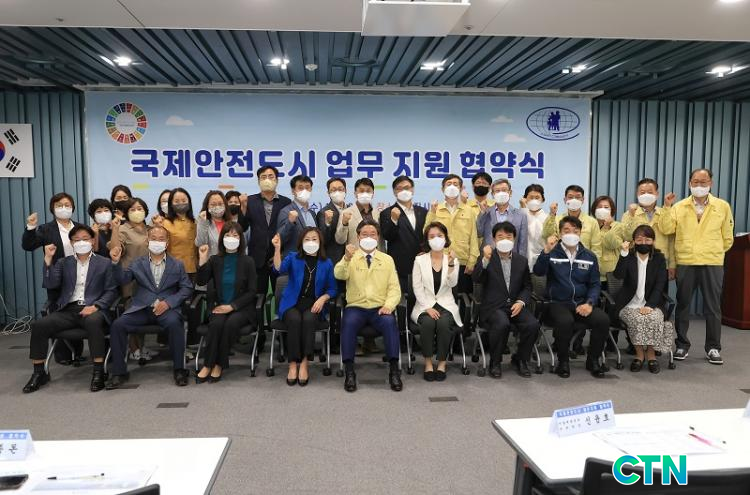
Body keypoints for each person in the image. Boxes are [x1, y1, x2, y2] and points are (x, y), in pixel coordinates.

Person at [22, 225, 118, 393]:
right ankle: (39, 373)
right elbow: (50, 284)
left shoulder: (104, 263)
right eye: (77, 239)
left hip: (93, 308)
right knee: (39, 325)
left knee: (94, 322)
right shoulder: (63, 262)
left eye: (85, 239)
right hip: (68, 309)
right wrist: (48, 259)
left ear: (92, 240)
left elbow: (111, 291)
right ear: (72, 243)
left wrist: (96, 306)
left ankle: (99, 371)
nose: (81, 242)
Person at [659, 168, 734, 365]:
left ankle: (713, 348)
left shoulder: (722, 206)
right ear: (689, 183)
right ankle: (682, 345)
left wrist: (713, 251)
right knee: (683, 305)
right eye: (695, 181)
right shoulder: (679, 206)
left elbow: (728, 238)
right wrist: (667, 207)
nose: (699, 185)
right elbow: (666, 229)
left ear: (711, 183)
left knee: (713, 307)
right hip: (686, 261)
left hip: (712, 263)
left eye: (703, 181)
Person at [107, 226, 194, 388]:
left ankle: (179, 369)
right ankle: (119, 372)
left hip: (167, 309)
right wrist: (116, 262)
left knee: (175, 324)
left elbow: (187, 288)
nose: (157, 241)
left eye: (161, 239)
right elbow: (122, 280)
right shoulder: (137, 263)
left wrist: (168, 303)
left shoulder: (177, 264)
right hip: (142, 309)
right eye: (153, 238)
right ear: (147, 241)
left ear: (167, 243)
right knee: (118, 325)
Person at [534, 216, 609, 379]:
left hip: (582, 303)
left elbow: (595, 284)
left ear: (580, 233)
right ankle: (563, 361)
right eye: (566, 230)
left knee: (602, 320)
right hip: (557, 303)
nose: (571, 233)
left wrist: (589, 303)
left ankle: (593, 360)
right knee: (565, 321)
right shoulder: (552, 252)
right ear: (560, 233)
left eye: (575, 231)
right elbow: (538, 272)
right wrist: (546, 251)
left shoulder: (589, 256)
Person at [334, 220, 402, 393]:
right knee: (348, 323)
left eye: (373, 234)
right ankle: (349, 371)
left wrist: (389, 305)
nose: (369, 237)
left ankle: (394, 370)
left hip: (380, 307)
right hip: (356, 307)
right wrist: (346, 258)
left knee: (389, 322)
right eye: (364, 234)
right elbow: (339, 274)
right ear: (358, 237)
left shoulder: (387, 259)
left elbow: (394, 288)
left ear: (378, 237)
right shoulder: (350, 257)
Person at [22, 192, 85, 364]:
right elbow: (28, 245)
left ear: (73, 207)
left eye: (67, 205)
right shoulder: (46, 229)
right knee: (59, 314)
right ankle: (63, 355)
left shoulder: (80, 227)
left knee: (78, 312)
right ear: (53, 209)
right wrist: (30, 227)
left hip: (81, 276)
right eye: (59, 205)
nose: (64, 208)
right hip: (57, 279)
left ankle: (77, 352)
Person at [472, 222, 538, 379]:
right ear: (494, 239)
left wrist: (521, 302)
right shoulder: (487, 258)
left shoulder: (521, 261)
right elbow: (477, 278)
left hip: (515, 305)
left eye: (509, 236)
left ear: (514, 239)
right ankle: (495, 362)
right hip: (494, 307)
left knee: (532, 324)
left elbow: (527, 286)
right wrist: (485, 259)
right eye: (500, 236)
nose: (505, 239)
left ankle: (521, 359)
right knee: (502, 323)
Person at [272, 228, 337, 386]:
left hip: (314, 303)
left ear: (320, 242)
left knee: (308, 320)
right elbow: (279, 269)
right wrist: (277, 249)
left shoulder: (327, 263)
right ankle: (292, 364)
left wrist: (323, 298)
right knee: (294, 320)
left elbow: (333, 289)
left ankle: (304, 363)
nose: (311, 242)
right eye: (307, 239)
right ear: (301, 242)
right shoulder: (293, 257)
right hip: (291, 303)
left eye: (314, 239)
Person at [195, 222, 257, 383]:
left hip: (241, 308)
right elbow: (201, 281)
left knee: (230, 324)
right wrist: (202, 260)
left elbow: (252, 291)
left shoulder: (248, 261)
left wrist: (232, 306)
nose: (231, 238)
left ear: (241, 239)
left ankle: (217, 364)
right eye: (228, 235)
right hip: (219, 306)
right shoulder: (215, 260)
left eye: (235, 235)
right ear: (222, 238)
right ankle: (208, 365)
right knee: (216, 324)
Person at [612, 225, 673, 374]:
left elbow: (660, 284)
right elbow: (618, 275)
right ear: (633, 241)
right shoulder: (629, 256)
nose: (643, 242)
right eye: (639, 240)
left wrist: (650, 305)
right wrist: (624, 254)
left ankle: (651, 355)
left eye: (647, 239)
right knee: (638, 319)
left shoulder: (659, 258)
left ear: (653, 241)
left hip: (652, 303)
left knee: (654, 318)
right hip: (629, 304)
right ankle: (639, 355)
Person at [411, 222, 462, 381]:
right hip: (424, 304)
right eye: (432, 236)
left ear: (445, 238)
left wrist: (451, 264)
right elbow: (417, 286)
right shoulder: (419, 260)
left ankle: (441, 363)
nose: (436, 239)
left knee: (443, 324)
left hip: (446, 304)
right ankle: (427, 363)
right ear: (427, 240)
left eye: (440, 235)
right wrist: (427, 307)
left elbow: (452, 284)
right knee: (427, 323)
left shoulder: (452, 260)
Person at [108, 197, 153, 361]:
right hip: (130, 277)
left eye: (140, 208)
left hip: (150, 277)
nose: (137, 212)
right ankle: (134, 348)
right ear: (127, 213)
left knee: (146, 310)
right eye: (132, 209)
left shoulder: (150, 229)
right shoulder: (123, 229)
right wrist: (115, 229)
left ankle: (142, 346)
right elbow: (115, 249)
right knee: (132, 310)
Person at [238, 165, 292, 298]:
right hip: (257, 257)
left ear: (277, 180)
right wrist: (243, 207)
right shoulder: (250, 201)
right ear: (258, 181)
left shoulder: (286, 202)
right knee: (257, 296)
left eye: (270, 176)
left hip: (278, 256)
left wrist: (281, 252)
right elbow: (242, 227)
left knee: (281, 294)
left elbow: (288, 229)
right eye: (263, 177)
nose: (267, 179)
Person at [424, 174, 479, 295]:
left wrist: (472, 260)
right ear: (442, 189)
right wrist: (432, 213)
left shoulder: (469, 210)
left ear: (461, 188)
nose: (452, 187)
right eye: (449, 184)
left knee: (463, 298)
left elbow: (473, 237)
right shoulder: (436, 209)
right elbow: (426, 233)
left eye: (455, 184)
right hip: (440, 261)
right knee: (441, 297)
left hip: (463, 261)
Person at [620, 178, 677, 281]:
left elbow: (671, 240)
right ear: (637, 194)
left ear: (657, 194)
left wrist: (672, 264)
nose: (646, 195)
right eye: (642, 192)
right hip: (635, 262)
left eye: (650, 192)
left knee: (659, 290)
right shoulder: (628, 214)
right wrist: (632, 216)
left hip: (660, 263)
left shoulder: (665, 212)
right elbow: (626, 237)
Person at [380, 176, 428, 292]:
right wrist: (394, 220)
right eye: (399, 188)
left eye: (407, 187)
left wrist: (427, 252)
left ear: (413, 190)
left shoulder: (423, 211)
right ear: (394, 192)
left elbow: (428, 236)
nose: (404, 191)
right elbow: (387, 236)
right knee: (401, 299)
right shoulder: (386, 213)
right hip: (400, 267)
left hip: (423, 265)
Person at [541, 185, 602, 260]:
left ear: (583, 200)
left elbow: (596, 249)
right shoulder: (557, 219)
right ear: (565, 200)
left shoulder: (592, 222)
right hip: (561, 262)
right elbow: (546, 235)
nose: (574, 200)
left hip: (584, 263)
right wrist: (552, 214)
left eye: (578, 197)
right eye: (570, 197)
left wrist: (594, 264)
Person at [477, 179, 528, 256]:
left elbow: (523, 244)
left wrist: (521, 261)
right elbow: (478, 233)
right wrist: (483, 212)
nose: (501, 193)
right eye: (497, 191)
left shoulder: (521, 215)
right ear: (492, 194)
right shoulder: (486, 213)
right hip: (489, 257)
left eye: (504, 190)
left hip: (511, 258)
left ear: (510, 193)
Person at [156, 187, 198, 279]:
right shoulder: (165, 223)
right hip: (172, 271)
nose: (181, 203)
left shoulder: (195, 223)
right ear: (171, 204)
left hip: (193, 269)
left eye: (184, 200)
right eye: (176, 201)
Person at [335, 177, 383, 249]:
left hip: (377, 254)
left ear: (373, 193)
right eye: (361, 191)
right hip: (356, 254)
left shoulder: (378, 213)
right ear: (355, 193)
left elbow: (381, 240)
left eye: (368, 191)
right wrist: (344, 224)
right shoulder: (346, 213)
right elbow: (340, 240)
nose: (365, 194)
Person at [277, 175, 318, 258]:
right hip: (294, 259)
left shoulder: (312, 213)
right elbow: (280, 239)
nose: (304, 191)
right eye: (300, 188)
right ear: (293, 191)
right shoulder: (286, 211)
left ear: (311, 189)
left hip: (313, 259)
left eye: (307, 187)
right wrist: (290, 222)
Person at [317, 178, 348, 268]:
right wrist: (327, 223)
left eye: (340, 189)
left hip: (351, 260)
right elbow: (323, 240)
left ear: (345, 190)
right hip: (333, 260)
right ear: (328, 193)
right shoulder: (323, 212)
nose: (337, 192)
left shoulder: (350, 210)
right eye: (333, 190)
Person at [519, 184, 548, 271]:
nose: (534, 200)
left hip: (542, 263)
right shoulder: (519, 215)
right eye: (531, 197)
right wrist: (523, 207)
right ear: (525, 199)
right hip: (522, 262)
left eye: (537, 197)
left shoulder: (547, 218)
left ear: (542, 199)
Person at [196, 190, 231, 256]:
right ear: (207, 206)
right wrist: (202, 222)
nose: (217, 207)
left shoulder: (231, 223)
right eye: (213, 204)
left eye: (220, 204)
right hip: (211, 261)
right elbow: (200, 243)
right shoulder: (203, 223)